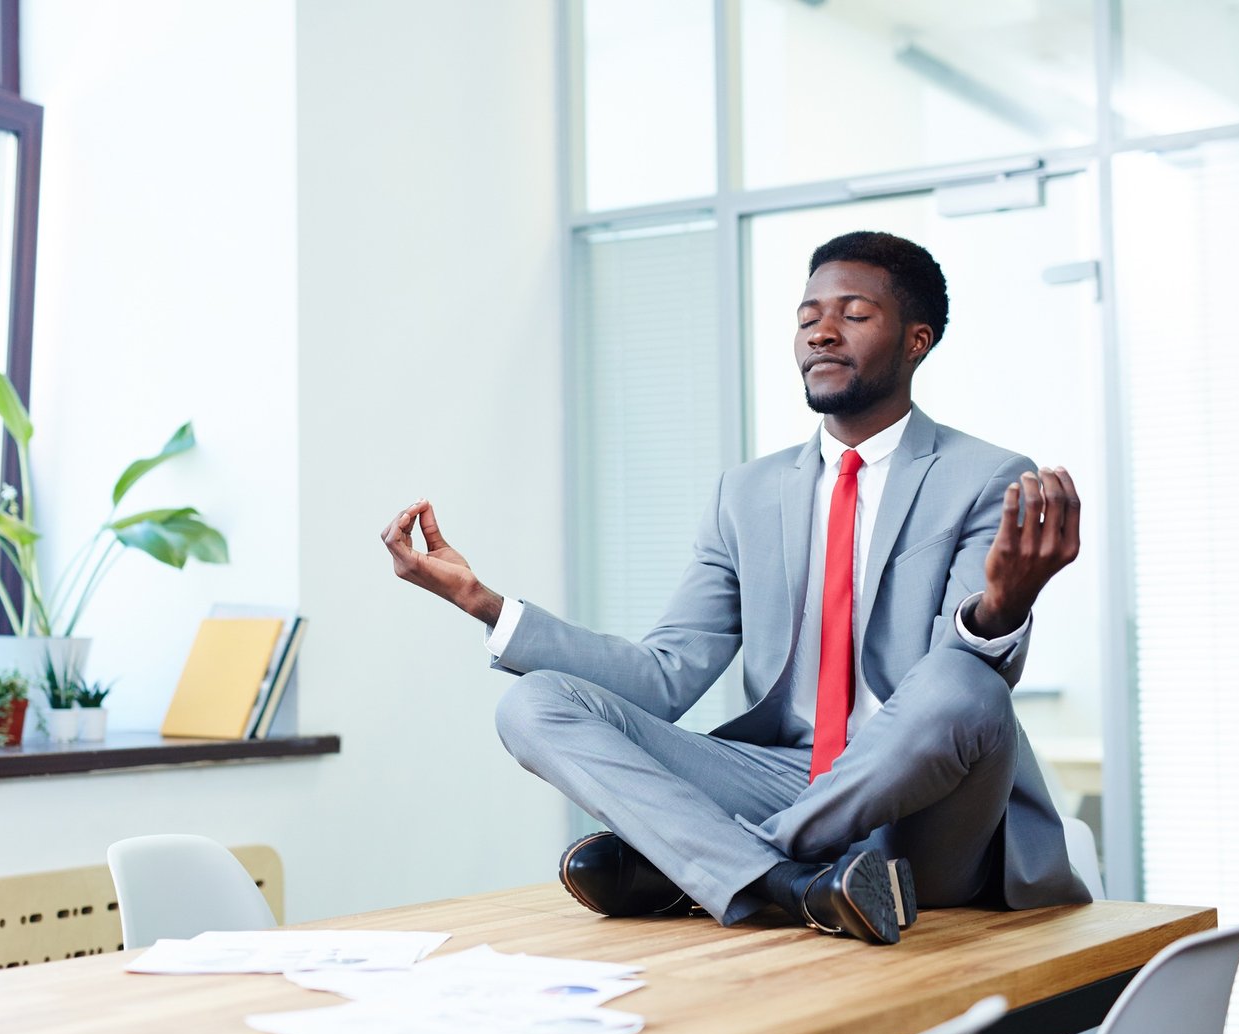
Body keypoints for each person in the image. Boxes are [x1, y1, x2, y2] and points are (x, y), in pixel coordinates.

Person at [380, 231, 1090, 945]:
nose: (821, 330)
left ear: (916, 340)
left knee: (965, 685)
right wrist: (482, 601)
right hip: (783, 772)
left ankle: (715, 865)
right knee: (531, 703)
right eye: (807, 314)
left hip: (925, 812)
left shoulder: (985, 475)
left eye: (853, 313)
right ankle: (787, 883)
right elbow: (662, 679)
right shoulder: (745, 495)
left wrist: (1002, 609)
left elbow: (954, 705)